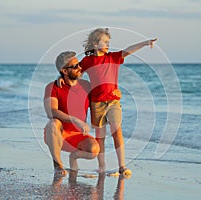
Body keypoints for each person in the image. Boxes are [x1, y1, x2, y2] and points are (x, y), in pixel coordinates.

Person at [59, 28, 157, 175]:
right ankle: (102, 166)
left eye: (108, 42)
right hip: (96, 104)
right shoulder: (88, 61)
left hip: (113, 102)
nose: (108, 44)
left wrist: (144, 43)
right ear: (95, 43)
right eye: (105, 41)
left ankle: (122, 166)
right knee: (101, 136)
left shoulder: (113, 57)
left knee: (117, 132)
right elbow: (73, 71)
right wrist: (62, 77)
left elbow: (128, 50)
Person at [43, 51, 100, 177]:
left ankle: (73, 157)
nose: (79, 68)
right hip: (58, 134)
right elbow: (51, 111)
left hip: (77, 136)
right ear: (64, 71)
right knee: (53, 123)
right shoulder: (52, 87)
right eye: (75, 66)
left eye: (79, 64)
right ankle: (58, 165)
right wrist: (75, 120)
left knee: (94, 150)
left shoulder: (86, 86)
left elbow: (102, 88)